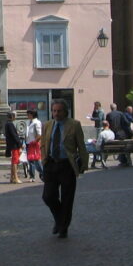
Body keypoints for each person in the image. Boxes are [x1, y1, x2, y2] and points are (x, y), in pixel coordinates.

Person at [40, 99, 88, 239]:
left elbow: (81, 146)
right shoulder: (47, 125)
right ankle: (60, 219)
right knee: (48, 196)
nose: (56, 113)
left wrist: (83, 165)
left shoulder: (74, 125)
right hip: (51, 163)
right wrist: (44, 160)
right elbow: (43, 144)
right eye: (54, 111)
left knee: (67, 198)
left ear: (65, 111)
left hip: (67, 165)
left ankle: (63, 227)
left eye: (59, 111)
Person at [25, 109, 43, 182]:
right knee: (30, 160)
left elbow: (39, 134)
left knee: (36, 160)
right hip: (28, 143)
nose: (27, 116)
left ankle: (43, 173)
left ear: (32, 115)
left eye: (28, 114)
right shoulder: (29, 122)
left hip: (34, 144)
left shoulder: (37, 123)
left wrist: (35, 141)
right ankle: (32, 176)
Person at [3, 112, 22, 184]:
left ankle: (12, 177)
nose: (16, 117)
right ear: (12, 116)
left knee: (13, 161)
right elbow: (14, 135)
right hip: (14, 145)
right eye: (15, 116)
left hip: (11, 144)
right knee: (15, 161)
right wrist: (19, 144)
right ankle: (16, 178)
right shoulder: (10, 124)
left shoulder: (7, 124)